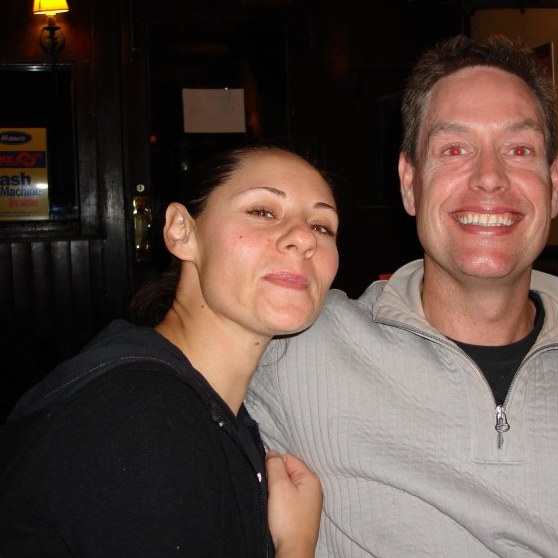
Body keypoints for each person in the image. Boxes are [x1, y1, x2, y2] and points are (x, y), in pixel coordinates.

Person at [246, 35, 558, 557]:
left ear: (554, 184)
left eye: (519, 150)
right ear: (409, 183)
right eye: (455, 149)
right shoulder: (295, 347)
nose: (490, 178)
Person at [0, 144, 340, 557]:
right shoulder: (136, 415)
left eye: (323, 226)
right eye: (263, 211)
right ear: (181, 230)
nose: (305, 238)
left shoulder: (205, 406)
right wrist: (296, 544)